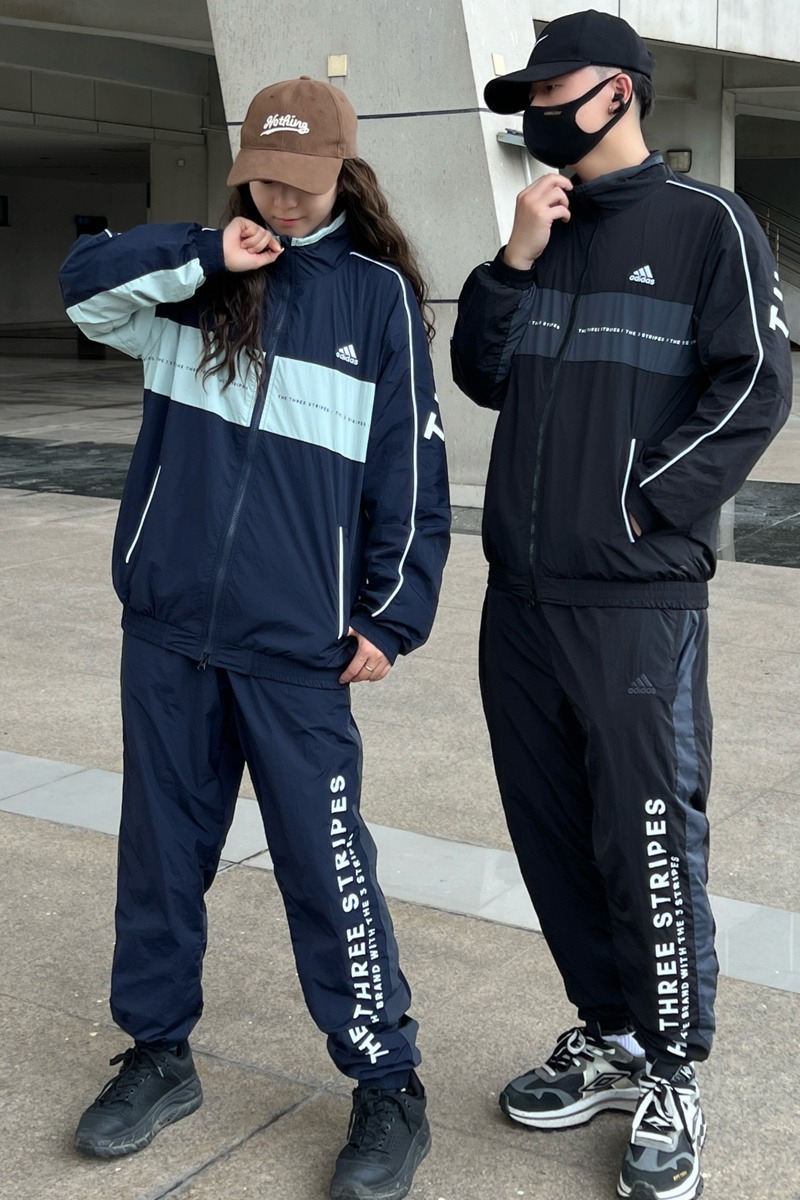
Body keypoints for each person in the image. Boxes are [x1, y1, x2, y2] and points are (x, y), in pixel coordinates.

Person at [59, 75, 449, 1200]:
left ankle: (387, 1082)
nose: (283, 198)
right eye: (265, 179)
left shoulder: (376, 299)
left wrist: (391, 615)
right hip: (169, 631)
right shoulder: (194, 278)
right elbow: (83, 287)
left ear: (342, 174)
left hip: (295, 648)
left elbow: (411, 477)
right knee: (160, 857)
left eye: (304, 181)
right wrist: (204, 255)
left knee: (326, 869)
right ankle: (158, 1054)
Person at [451, 11, 792, 1200]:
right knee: (548, 832)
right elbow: (481, 375)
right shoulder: (541, 226)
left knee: (645, 834)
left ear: (616, 91)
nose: (538, 112)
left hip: (633, 603)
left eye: (553, 90)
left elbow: (754, 385)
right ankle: (607, 1035)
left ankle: (672, 1069)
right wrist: (509, 264)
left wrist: (641, 505)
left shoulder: (706, 224)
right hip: (520, 595)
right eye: (528, 97)